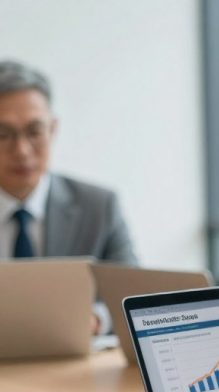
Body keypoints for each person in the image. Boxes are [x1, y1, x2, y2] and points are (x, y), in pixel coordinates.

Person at [0, 60, 136, 263]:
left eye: (34, 132)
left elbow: (131, 291)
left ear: (53, 129)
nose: (22, 151)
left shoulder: (99, 208)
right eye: (3, 134)